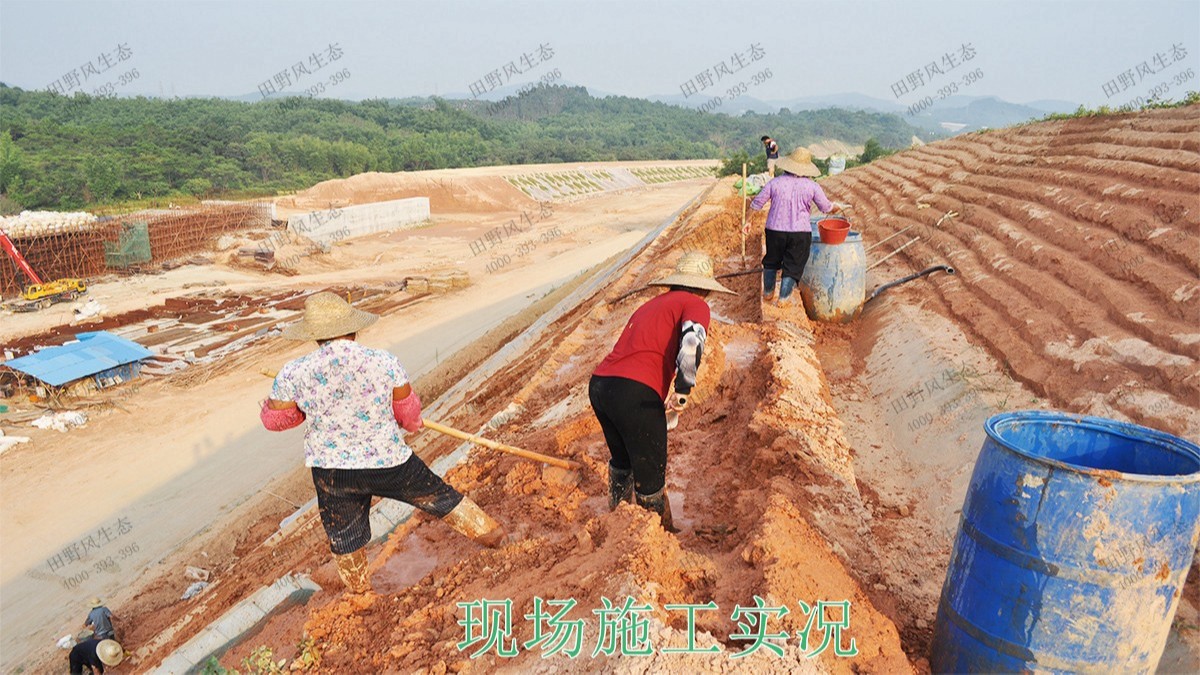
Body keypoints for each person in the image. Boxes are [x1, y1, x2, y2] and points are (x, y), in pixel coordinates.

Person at [260, 292, 506, 594]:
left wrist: (300, 409)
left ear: (315, 336)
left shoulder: (292, 372)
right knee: (438, 496)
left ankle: (360, 593)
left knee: (344, 534)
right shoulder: (384, 362)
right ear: (353, 329)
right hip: (389, 460)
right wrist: (411, 422)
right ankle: (493, 536)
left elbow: (275, 421)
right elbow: (407, 413)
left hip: (333, 471)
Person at [589, 252, 735, 531]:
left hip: (600, 386)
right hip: (636, 394)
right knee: (650, 475)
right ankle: (657, 539)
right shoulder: (696, 304)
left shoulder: (653, 305)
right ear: (704, 287)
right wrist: (682, 391)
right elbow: (691, 343)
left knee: (623, 460)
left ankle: (616, 522)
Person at [749, 147, 841, 303]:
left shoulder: (775, 183)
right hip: (800, 233)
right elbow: (826, 208)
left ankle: (768, 293)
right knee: (793, 265)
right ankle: (783, 299)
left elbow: (757, 203)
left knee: (771, 260)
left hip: (774, 230)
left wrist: (747, 221)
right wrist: (837, 207)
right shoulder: (812, 186)